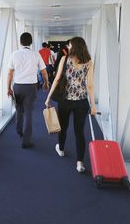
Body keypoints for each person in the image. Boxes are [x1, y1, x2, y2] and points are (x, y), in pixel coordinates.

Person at [45, 37, 96, 173]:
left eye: (70, 44)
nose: (68, 46)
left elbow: (56, 79)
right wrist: (93, 105)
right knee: (79, 132)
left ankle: (60, 149)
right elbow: (90, 85)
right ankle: (80, 163)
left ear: (75, 47)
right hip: (82, 102)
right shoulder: (89, 63)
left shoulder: (65, 59)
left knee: (63, 127)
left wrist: (48, 97)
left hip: (65, 101)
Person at [7, 32, 49, 149]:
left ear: (20, 42)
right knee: (28, 112)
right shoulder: (36, 55)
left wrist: (8, 88)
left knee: (19, 110)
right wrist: (46, 82)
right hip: (31, 87)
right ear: (31, 43)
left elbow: (10, 73)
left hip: (18, 86)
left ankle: (19, 130)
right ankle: (26, 140)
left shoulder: (14, 54)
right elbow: (43, 71)